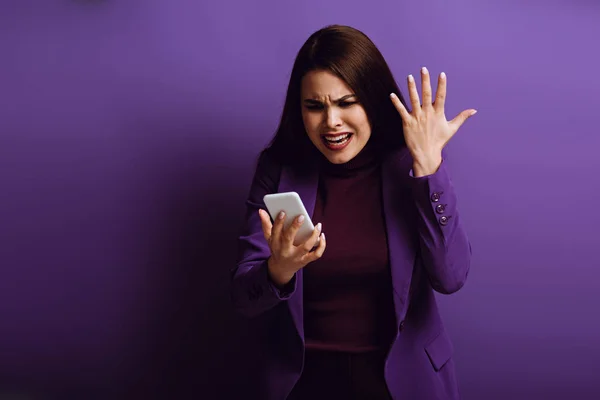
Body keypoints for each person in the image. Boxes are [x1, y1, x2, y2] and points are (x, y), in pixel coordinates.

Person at [231, 24, 476, 400]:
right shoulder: (279, 169)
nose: (331, 122)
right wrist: (278, 271)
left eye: (347, 103)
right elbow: (244, 299)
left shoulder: (408, 167)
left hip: (401, 382)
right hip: (303, 382)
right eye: (315, 106)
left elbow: (450, 276)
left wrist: (429, 169)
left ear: (373, 102)